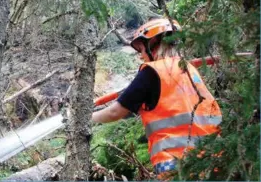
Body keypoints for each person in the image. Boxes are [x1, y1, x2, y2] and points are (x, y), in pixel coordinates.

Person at [92, 18, 222, 179]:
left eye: (141, 50)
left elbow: (115, 112)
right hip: (215, 159)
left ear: (153, 43)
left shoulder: (151, 72)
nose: (141, 57)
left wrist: (88, 118)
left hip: (177, 164)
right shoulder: (189, 69)